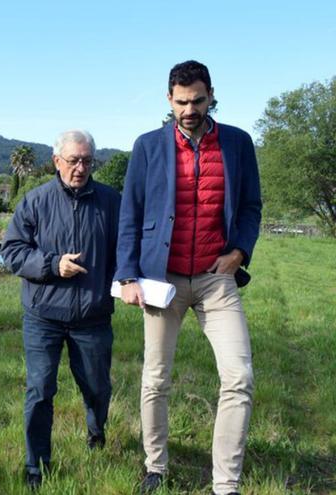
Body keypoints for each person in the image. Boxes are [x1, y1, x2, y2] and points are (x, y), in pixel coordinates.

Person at [115, 60, 262, 495]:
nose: (189, 109)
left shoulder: (238, 143)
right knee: (155, 378)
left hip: (217, 278)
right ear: (168, 100)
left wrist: (239, 251)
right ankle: (155, 467)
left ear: (211, 94)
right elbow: (131, 213)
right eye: (181, 102)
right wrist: (126, 275)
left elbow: (252, 205)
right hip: (163, 279)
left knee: (239, 378)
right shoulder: (147, 146)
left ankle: (226, 484)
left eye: (197, 100)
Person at [0, 130, 121, 490]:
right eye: (73, 160)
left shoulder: (112, 202)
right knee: (39, 390)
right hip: (43, 316)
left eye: (87, 160)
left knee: (97, 388)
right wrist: (53, 265)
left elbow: (127, 251)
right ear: (57, 161)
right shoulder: (34, 202)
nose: (80, 168)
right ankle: (36, 465)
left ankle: (96, 432)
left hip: (93, 316)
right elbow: (12, 252)